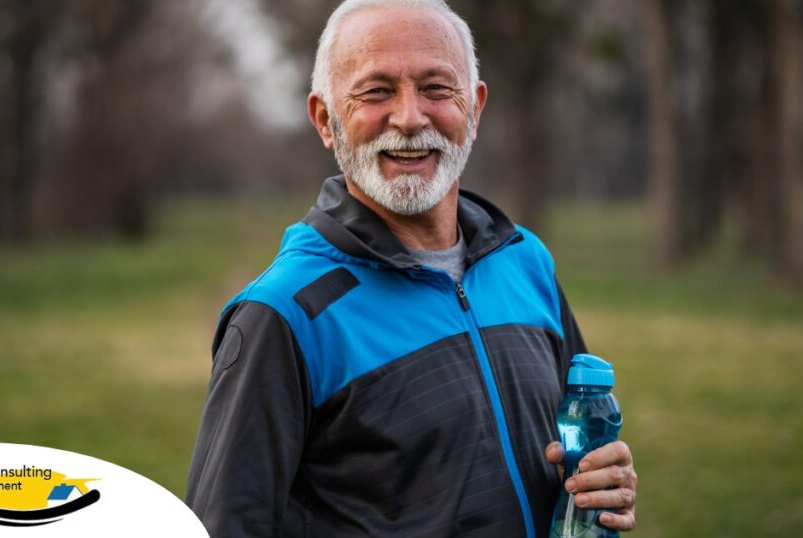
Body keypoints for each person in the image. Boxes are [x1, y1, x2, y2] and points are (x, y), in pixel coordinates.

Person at [185, 1, 637, 536]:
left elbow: (580, 446)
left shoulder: (525, 261)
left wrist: (602, 484)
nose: (409, 117)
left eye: (436, 88)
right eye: (377, 91)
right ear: (325, 120)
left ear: (475, 108)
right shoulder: (283, 315)